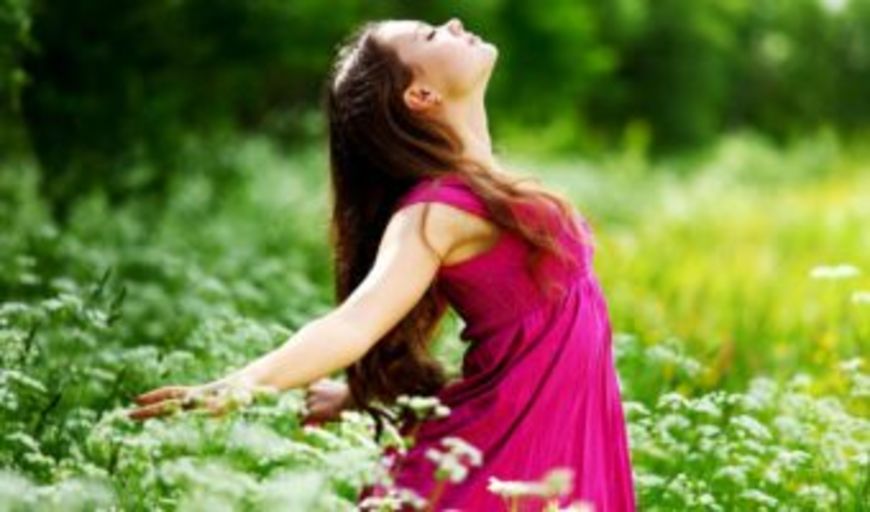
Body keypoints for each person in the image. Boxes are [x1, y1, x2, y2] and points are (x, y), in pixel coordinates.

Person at [128, 17, 637, 512]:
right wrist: (240, 386)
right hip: (503, 453)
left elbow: (520, 343)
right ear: (420, 95)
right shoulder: (436, 209)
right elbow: (354, 323)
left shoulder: (488, 186)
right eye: (430, 35)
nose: (454, 23)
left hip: (555, 439)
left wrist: (357, 395)